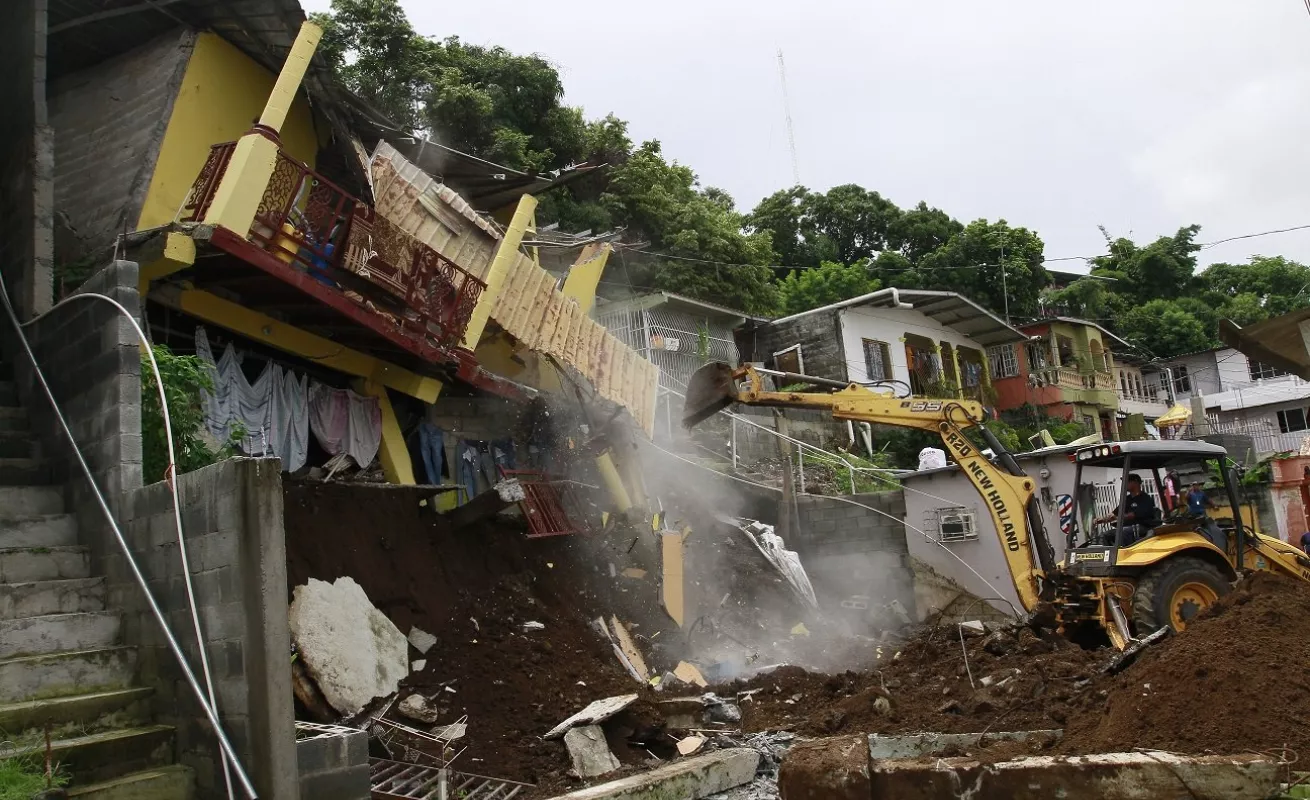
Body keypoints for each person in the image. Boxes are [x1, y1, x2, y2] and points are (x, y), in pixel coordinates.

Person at [1093, 474, 1159, 544]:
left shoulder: (1145, 498)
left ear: (1135, 482)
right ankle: (1110, 554)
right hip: (1128, 528)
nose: (1125, 484)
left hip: (1143, 527)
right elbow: (1114, 514)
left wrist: (1117, 517)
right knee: (1105, 535)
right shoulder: (1127, 499)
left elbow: (1132, 515)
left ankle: (1127, 553)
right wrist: (1102, 519)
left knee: (1124, 532)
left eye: (1127, 482)